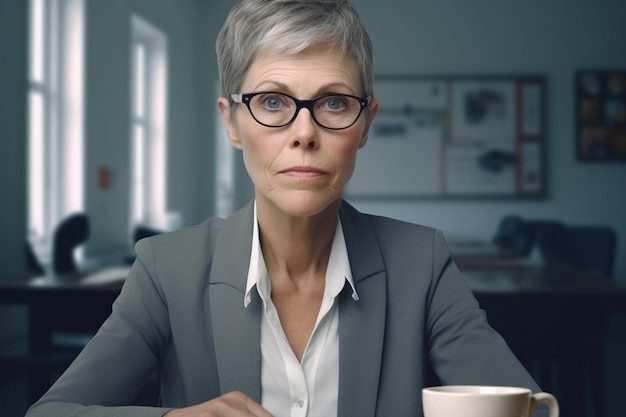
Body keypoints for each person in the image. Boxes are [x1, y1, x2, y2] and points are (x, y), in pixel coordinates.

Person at [26, 1, 546, 416]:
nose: (304, 134)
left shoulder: (422, 263)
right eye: (273, 102)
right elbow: (53, 411)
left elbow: (528, 408)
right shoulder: (168, 270)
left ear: (365, 125)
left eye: (334, 102)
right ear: (231, 122)